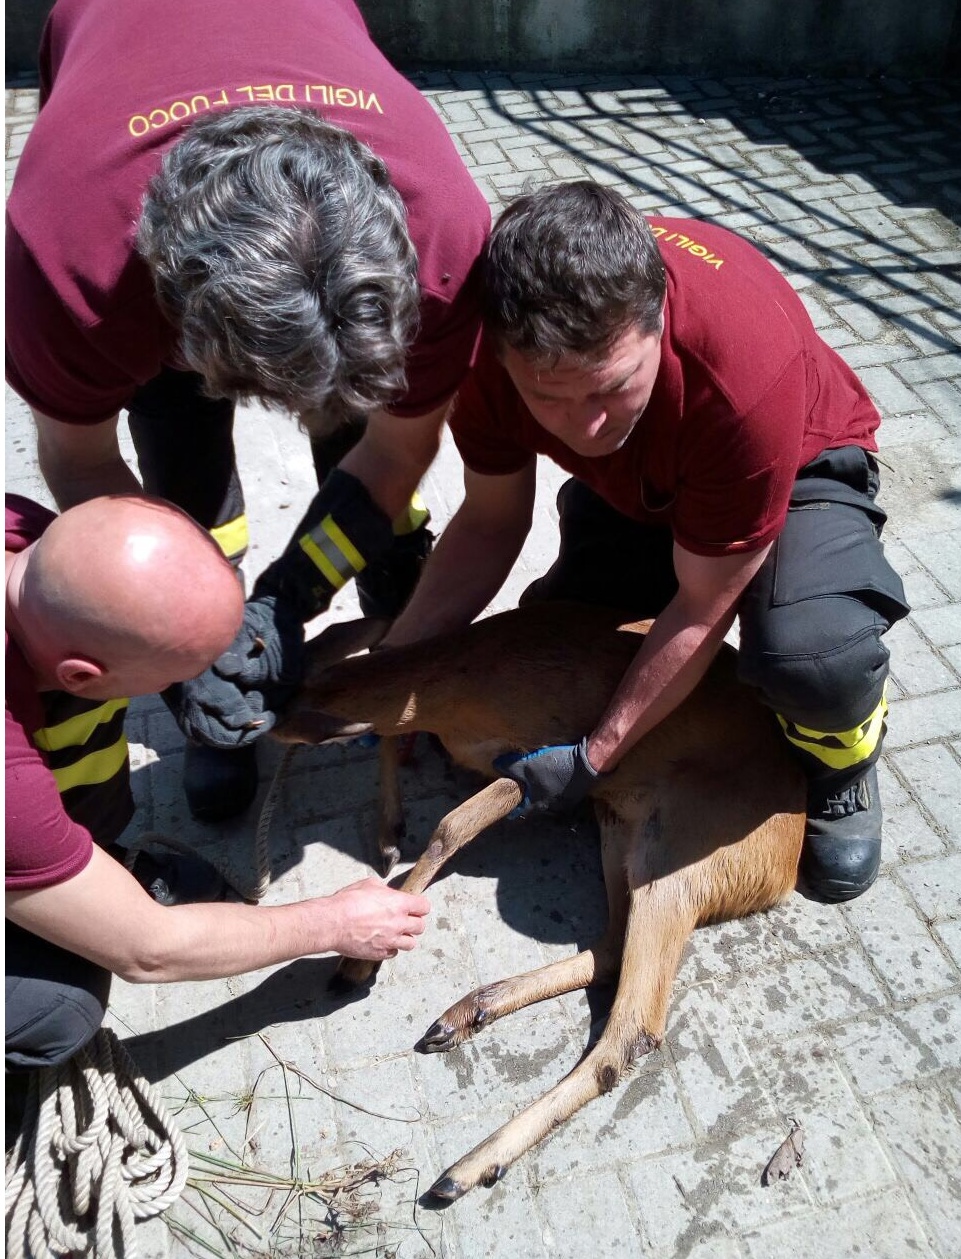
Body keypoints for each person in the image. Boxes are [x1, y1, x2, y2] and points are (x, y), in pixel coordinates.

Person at [5, 0, 490, 822]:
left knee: (357, 440)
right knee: (185, 472)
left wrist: (285, 600)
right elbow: (81, 462)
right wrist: (188, 638)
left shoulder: (443, 232)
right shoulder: (69, 260)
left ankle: (390, 583)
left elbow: (397, 446)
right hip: (115, 52)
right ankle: (206, 662)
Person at [379, 182, 910, 904]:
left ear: (657, 320)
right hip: (649, 482)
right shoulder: (486, 359)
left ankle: (842, 759)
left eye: (610, 387)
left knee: (811, 652)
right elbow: (488, 523)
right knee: (552, 644)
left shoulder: (739, 376)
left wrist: (594, 758)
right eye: (549, 398)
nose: (584, 426)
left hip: (794, 468)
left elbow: (702, 603)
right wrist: (394, 667)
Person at [5, 493, 431, 1078]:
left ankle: (84, 861)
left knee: (75, 721)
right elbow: (147, 950)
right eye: (176, 679)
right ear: (80, 670)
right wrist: (334, 922)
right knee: (57, 1005)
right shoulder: (10, 789)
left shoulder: (27, 538)